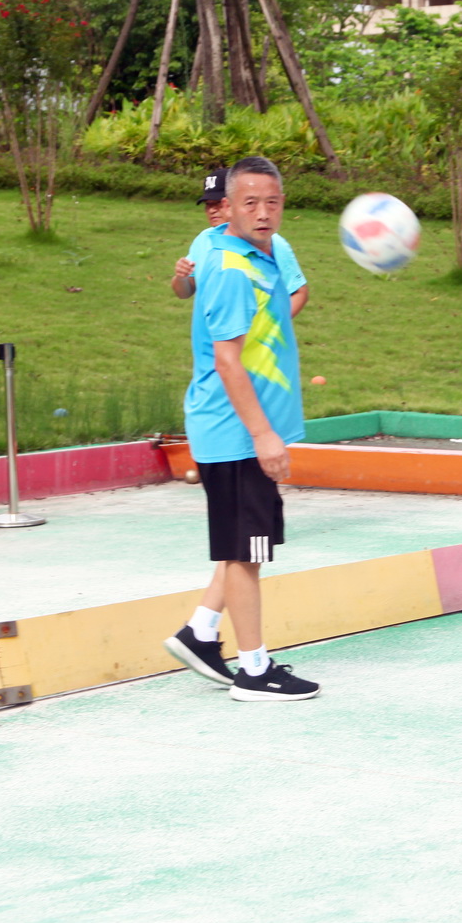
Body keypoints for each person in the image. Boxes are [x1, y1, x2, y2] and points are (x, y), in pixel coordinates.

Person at [161, 156, 321, 702]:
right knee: (246, 554)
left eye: (272, 202)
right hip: (235, 431)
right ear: (229, 207)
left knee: (243, 548)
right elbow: (228, 360)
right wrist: (263, 436)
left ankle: (201, 633)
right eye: (250, 202)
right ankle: (254, 670)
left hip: (238, 429)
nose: (263, 212)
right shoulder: (231, 267)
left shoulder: (264, 253)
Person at [172, 167, 309, 316]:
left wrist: (275, 325)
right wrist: (182, 277)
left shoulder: (270, 243)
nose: (212, 210)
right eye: (208, 204)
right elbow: (185, 292)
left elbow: (299, 292)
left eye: (218, 203)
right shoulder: (204, 239)